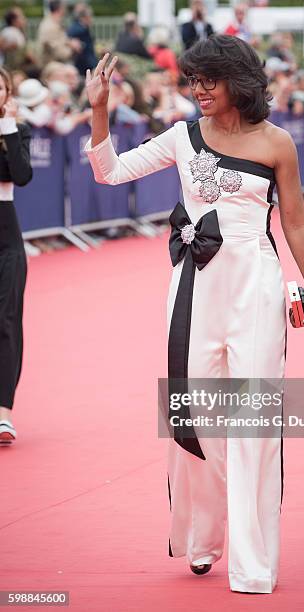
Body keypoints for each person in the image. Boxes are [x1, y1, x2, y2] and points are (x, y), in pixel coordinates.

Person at [83, 35, 304, 594]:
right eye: (193, 81)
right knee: (192, 415)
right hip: (193, 288)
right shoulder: (183, 138)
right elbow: (110, 171)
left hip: (257, 288)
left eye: (208, 80)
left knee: (254, 421)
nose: (199, 91)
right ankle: (200, 539)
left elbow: (295, 220)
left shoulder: (277, 143)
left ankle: (253, 561)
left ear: (238, 82)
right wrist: (99, 110)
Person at [0, 66, 32, 444]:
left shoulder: (17, 130)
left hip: (7, 235)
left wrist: (8, 128)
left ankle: (3, 413)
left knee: (6, 320)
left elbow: (21, 176)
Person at [37, 0, 81, 67]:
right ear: (60, 9)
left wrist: (70, 43)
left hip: (56, 64)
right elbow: (59, 52)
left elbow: (60, 41)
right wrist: (73, 49)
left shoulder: (53, 23)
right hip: (53, 67)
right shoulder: (50, 27)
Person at [67, 2, 97, 76]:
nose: (92, 19)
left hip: (83, 65)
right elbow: (86, 51)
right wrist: (94, 66)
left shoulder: (78, 27)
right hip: (83, 66)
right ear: (85, 17)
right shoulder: (80, 30)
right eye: (91, 16)